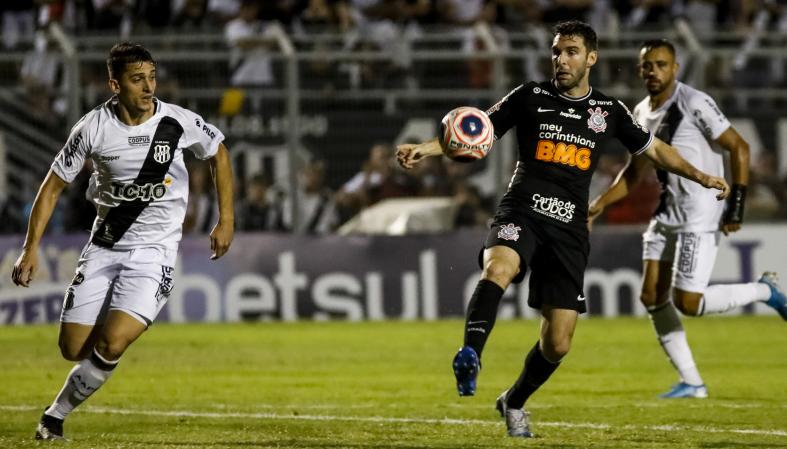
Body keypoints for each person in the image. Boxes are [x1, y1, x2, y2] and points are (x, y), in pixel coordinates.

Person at [396, 21, 730, 438]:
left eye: (571, 51)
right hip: (522, 209)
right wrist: (424, 149)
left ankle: (513, 401)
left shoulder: (607, 112)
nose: (561, 59)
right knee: (498, 268)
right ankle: (470, 355)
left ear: (591, 58)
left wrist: (701, 175)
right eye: (556, 51)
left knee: (558, 342)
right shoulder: (530, 96)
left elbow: (656, 150)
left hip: (568, 226)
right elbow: (474, 132)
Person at [11, 42, 235, 440]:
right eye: (137, 79)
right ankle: (100, 348)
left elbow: (218, 151)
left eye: (152, 77)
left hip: (155, 253)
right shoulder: (93, 128)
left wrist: (226, 219)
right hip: (104, 247)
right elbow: (51, 189)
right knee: (72, 348)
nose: (148, 87)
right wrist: (30, 250)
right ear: (115, 84)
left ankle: (54, 416)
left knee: (113, 343)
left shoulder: (177, 122)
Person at [588, 39, 787, 399]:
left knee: (688, 303)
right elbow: (635, 173)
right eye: (648, 65)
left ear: (675, 68)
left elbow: (738, 146)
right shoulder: (640, 112)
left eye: (661, 64)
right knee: (651, 295)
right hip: (668, 211)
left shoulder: (693, 101)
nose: (654, 71)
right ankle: (692, 382)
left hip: (700, 212)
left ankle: (764, 290)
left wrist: (736, 203)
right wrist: (598, 204)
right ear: (639, 69)